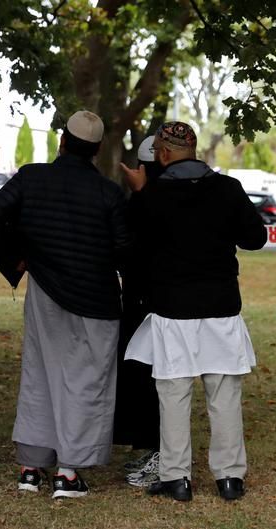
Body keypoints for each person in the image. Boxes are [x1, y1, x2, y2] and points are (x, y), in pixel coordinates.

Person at [0, 110, 131, 499]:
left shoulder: (31, 177)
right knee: (85, 381)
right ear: (96, 150)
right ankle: (67, 473)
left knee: (39, 374)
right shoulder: (109, 193)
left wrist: (17, 257)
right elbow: (124, 250)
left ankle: (31, 468)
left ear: (62, 142)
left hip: (44, 292)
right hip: (95, 300)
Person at [119, 121, 267, 502]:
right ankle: (230, 478)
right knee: (224, 397)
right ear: (194, 150)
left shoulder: (153, 197)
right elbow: (255, 238)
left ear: (163, 154)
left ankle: (176, 478)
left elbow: (132, 246)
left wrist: (139, 193)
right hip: (221, 306)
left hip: (172, 308)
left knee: (173, 395)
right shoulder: (228, 189)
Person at [114, 135, 162, 488]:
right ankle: (152, 447)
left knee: (154, 380)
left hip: (150, 302)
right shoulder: (151, 199)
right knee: (147, 378)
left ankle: (162, 452)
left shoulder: (147, 202)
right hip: (149, 300)